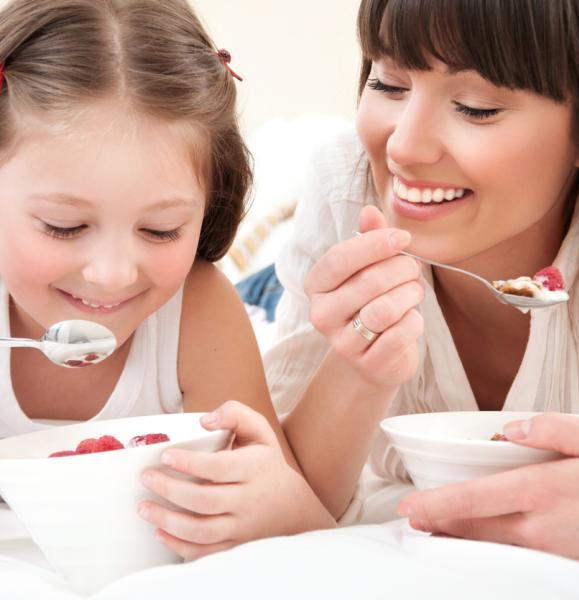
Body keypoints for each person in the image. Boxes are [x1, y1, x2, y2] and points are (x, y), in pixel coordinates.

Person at [264, 0, 579, 564]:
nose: (403, 147)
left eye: (475, 108)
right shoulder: (346, 189)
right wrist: (358, 369)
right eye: (389, 84)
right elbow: (287, 491)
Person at [0, 0, 333, 561]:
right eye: (65, 226)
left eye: (159, 230)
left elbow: (282, 505)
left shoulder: (196, 310)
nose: (111, 275)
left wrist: (285, 512)